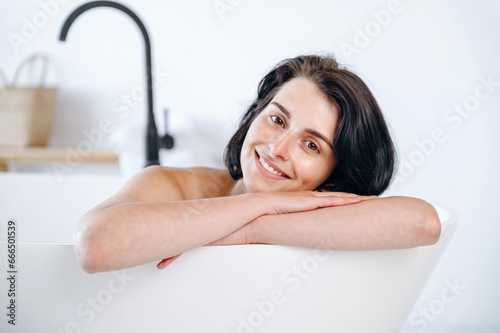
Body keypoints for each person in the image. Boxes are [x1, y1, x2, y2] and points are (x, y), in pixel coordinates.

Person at [75, 54, 441, 274]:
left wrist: (251, 230)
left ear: (335, 175)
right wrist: (258, 204)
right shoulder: (175, 186)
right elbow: (96, 245)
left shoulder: (325, 213)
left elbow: (423, 223)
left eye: (311, 145)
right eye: (277, 120)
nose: (277, 148)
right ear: (255, 115)